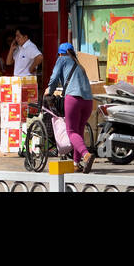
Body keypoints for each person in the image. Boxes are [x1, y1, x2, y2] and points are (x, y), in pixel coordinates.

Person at [46, 42, 94, 172]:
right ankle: (76, 163)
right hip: (88, 101)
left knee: (71, 131)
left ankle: (86, 155)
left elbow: (54, 78)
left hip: (73, 99)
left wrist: (49, 90)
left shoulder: (62, 59)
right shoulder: (79, 64)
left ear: (60, 53)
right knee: (78, 132)